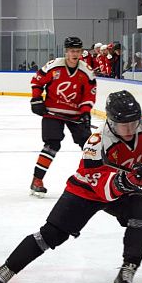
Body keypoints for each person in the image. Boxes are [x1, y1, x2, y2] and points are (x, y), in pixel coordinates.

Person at [0, 90, 142, 283]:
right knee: (51, 234)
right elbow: (103, 186)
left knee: (141, 212)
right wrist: (131, 179)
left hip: (124, 187)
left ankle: (127, 269)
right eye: (124, 124)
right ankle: (8, 269)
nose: (130, 129)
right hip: (86, 190)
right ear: (111, 122)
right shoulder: (97, 143)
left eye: (134, 122)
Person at [28, 36, 97, 197]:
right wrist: (36, 99)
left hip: (75, 114)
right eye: (72, 51)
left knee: (89, 146)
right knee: (52, 145)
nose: (75, 54)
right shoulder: (54, 66)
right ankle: (37, 180)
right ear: (66, 52)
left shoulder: (86, 71)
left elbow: (89, 95)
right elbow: (37, 81)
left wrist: (86, 112)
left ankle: (94, 178)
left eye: (78, 51)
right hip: (52, 113)